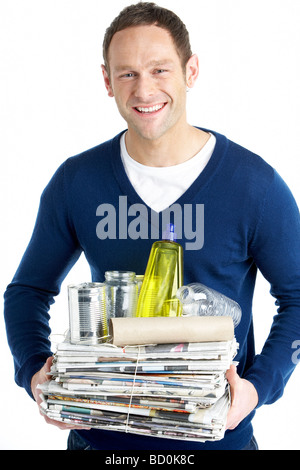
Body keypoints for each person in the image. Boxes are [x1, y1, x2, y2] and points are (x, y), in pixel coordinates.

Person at [3, 2, 300, 451]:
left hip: (215, 438)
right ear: (107, 80)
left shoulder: (252, 184)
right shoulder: (77, 181)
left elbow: (298, 296)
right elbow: (27, 290)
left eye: (160, 70)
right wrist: (34, 372)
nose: (144, 90)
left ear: (191, 70)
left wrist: (258, 388)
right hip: (100, 440)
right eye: (127, 74)